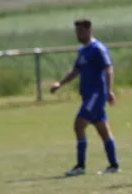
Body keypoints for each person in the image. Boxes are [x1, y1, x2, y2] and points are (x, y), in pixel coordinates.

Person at [50, 19, 120, 176]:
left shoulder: (97, 49)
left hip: (96, 95)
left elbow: (108, 69)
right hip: (88, 96)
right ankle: (113, 165)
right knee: (103, 130)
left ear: (89, 30)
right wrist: (59, 84)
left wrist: (109, 91)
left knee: (79, 124)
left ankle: (80, 166)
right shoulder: (83, 50)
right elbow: (76, 70)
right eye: (76, 31)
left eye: (80, 31)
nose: (78, 34)